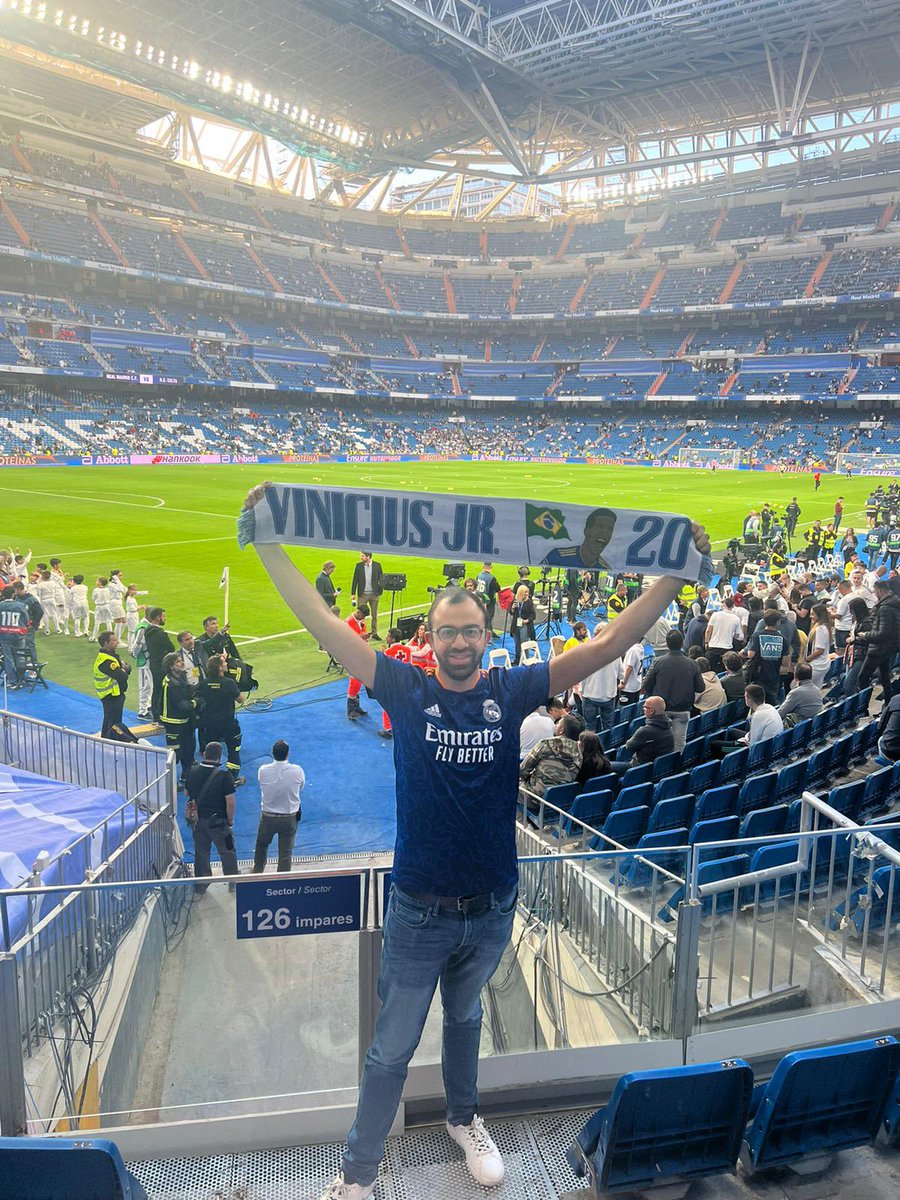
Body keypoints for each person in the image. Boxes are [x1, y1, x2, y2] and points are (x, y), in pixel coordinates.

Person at [238, 481, 709, 1200]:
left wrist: (676, 575)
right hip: (420, 907)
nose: (458, 641)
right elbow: (322, 622)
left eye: (470, 630)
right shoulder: (404, 688)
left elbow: (613, 640)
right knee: (390, 1049)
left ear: (486, 636)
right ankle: (357, 1175)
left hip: (492, 904)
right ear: (429, 639)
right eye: (446, 631)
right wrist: (267, 541)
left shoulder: (514, 689)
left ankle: (465, 1119)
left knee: (466, 1018)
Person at [185, 741, 239, 895]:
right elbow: (230, 801)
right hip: (220, 823)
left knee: (201, 852)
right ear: (219, 757)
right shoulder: (224, 776)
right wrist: (230, 820)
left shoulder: (192, 771)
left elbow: (187, 794)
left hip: (198, 822)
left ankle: (201, 885)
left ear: (204, 754)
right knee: (228, 850)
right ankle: (232, 881)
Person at [643, 629, 705, 751]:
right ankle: (675, 768)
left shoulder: (658, 662)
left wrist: (653, 697)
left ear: (667, 644)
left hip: (660, 711)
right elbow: (700, 687)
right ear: (682, 643)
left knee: (656, 744)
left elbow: (646, 684)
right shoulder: (692, 663)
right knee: (679, 744)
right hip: (682, 709)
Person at [253, 739, 305, 873]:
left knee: (261, 845)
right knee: (286, 853)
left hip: (268, 818)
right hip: (289, 818)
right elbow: (301, 787)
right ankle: (282, 883)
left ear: (272, 753)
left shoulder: (263, 770)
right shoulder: (298, 771)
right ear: (288, 754)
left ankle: (257, 873)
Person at [199, 654, 245, 783]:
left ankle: (209, 776)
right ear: (220, 668)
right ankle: (232, 778)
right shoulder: (229, 683)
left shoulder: (205, 682)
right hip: (227, 723)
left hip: (210, 723)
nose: (226, 665)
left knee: (211, 750)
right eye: (224, 663)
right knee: (233, 749)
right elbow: (241, 699)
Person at [854, 579, 900, 699]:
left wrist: (865, 635)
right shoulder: (891, 605)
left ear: (879, 590)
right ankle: (888, 702)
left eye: (875, 591)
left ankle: (862, 707)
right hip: (888, 647)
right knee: (885, 677)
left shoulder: (885, 608)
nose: (874, 594)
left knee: (863, 677)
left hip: (879, 648)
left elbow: (883, 634)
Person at [519, 714, 583, 801]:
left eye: (558, 724)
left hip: (535, 798)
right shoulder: (580, 752)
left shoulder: (546, 744)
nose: (555, 725)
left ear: (561, 730)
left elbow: (523, 770)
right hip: (560, 800)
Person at [160, 651, 198, 788]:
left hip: (186, 721)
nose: (182, 663)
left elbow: (188, 690)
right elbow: (182, 704)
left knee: (189, 750)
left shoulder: (181, 677)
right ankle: (170, 782)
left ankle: (186, 777)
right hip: (173, 723)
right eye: (178, 662)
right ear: (171, 667)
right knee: (175, 754)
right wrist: (196, 703)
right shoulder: (169, 683)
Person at [712, 683, 783, 755]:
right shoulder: (770, 707)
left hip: (759, 750)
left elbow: (752, 743)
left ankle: (731, 755)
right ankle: (735, 746)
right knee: (731, 731)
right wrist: (744, 739)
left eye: (745, 697)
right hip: (767, 744)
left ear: (750, 701)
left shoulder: (758, 716)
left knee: (715, 744)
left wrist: (742, 741)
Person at [609, 696, 674, 771]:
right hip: (659, 768)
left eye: (645, 707)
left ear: (652, 711)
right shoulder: (669, 727)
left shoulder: (645, 731)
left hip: (639, 768)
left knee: (605, 766)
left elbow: (629, 746)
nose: (643, 709)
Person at [744, 610, 788, 706]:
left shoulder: (757, 635)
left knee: (756, 703)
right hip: (773, 677)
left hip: (757, 676)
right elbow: (785, 662)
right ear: (778, 622)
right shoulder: (783, 639)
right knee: (771, 704)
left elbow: (750, 654)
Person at [93, 629, 132, 738]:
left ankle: (105, 738)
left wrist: (124, 668)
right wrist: (124, 669)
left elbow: (126, 668)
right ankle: (111, 740)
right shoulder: (107, 661)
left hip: (112, 695)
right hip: (111, 695)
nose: (117, 642)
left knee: (109, 720)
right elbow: (123, 676)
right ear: (106, 643)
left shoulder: (109, 656)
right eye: (114, 640)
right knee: (114, 722)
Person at [378, 628, 411, 739]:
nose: (387, 637)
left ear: (392, 639)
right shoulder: (407, 650)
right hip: (404, 682)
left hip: (392, 683)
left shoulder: (387, 653)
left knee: (387, 706)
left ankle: (388, 729)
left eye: (388, 636)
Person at [145, 607, 175, 720]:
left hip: (153, 662)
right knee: (162, 690)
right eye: (163, 616)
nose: (165, 618)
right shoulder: (161, 634)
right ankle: (160, 715)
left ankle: (156, 715)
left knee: (156, 689)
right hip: (161, 665)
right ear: (158, 618)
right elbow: (171, 648)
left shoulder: (148, 631)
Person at [351, 551, 384, 642]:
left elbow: (381, 579)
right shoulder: (358, 566)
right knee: (360, 615)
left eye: (363, 556)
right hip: (363, 594)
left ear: (368, 557)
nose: (361, 557)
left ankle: (374, 633)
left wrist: (380, 592)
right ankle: (359, 633)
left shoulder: (377, 565)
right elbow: (355, 580)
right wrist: (353, 593)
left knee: (374, 615)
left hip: (374, 595)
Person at [0, 585, 29, 688]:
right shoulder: (20, 605)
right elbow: (26, 619)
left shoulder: (0, 605)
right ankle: (21, 680)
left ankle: (12, 681)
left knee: (8, 659)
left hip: (4, 635)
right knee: (20, 657)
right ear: (13, 594)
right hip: (18, 635)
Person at [704, 596, 743, 672]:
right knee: (724, 672)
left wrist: (706, 642)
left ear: (724, 605)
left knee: (710, 670)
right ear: (732, 606)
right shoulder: (736, 619)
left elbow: (708, 630)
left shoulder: (715, 615)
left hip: (713, 647)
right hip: (726, 649)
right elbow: (738, 635)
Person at [12, 579, 42, 671]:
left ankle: (34, 667)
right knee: (20, 647)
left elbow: (40, 612)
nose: (14, 592)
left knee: (29, 646)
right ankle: (23, 666)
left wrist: (33, 624)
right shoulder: (17, 598)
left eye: (15, 590)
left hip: (28, 627)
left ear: (19, 589)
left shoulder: (31, 600)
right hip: (18, 627)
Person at [806, 603, 833, 691]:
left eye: (813, 614)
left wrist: (806, 660)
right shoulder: (825, 627)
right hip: (821, 664)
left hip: (817, 665)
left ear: (819, 615)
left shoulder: (820, 629)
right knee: (816, 689)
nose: (810, 616)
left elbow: (819, 650)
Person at [315, 561, 339, 651]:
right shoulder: (320, 578)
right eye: (332, 569)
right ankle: (322, 646)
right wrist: (332, 595)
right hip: (324, 605)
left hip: (329, 604)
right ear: (328, 568)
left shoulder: (326, 577)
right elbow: (320, 594)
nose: (333, 571)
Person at [510, 583, 536, 665]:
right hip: (515, 625)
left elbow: (533, 614)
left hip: (525, 625)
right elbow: (511, 612)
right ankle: (517, 660)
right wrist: (512, 608)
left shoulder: (529, 602)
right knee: (517, 643)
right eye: (524, 592)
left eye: (527, 592)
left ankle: (526, 660)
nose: (526, 594)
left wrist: (527, 620)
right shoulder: (515, 600)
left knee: (525, 644)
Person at [475, 562, 500, 633]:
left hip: (479, 599)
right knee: (488, 619)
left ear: (483, 566)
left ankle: (491, 632)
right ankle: (487, 637)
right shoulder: (492, 578)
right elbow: (498, 589)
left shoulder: (479, 575)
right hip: (489, 601)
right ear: (491, 567)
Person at [876, 693, 900, 763]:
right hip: (892, 749)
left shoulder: (896, 699)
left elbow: (881, 726)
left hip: (890, 750)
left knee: (881, 738)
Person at [619, 639, 644, 704]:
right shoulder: (640, 648)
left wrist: (623, 683)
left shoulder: (633, 650)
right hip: (636, 684)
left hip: (628, 686)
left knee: (626, 710)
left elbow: (629, 667)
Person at [69, 573, 90, 638]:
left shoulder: (73, 588)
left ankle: (77, 633)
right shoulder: (85, 587)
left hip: (76, 603)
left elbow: (71, 596)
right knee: (86, 617)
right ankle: (86, 630)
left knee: (77, 618)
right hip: (84, 602)